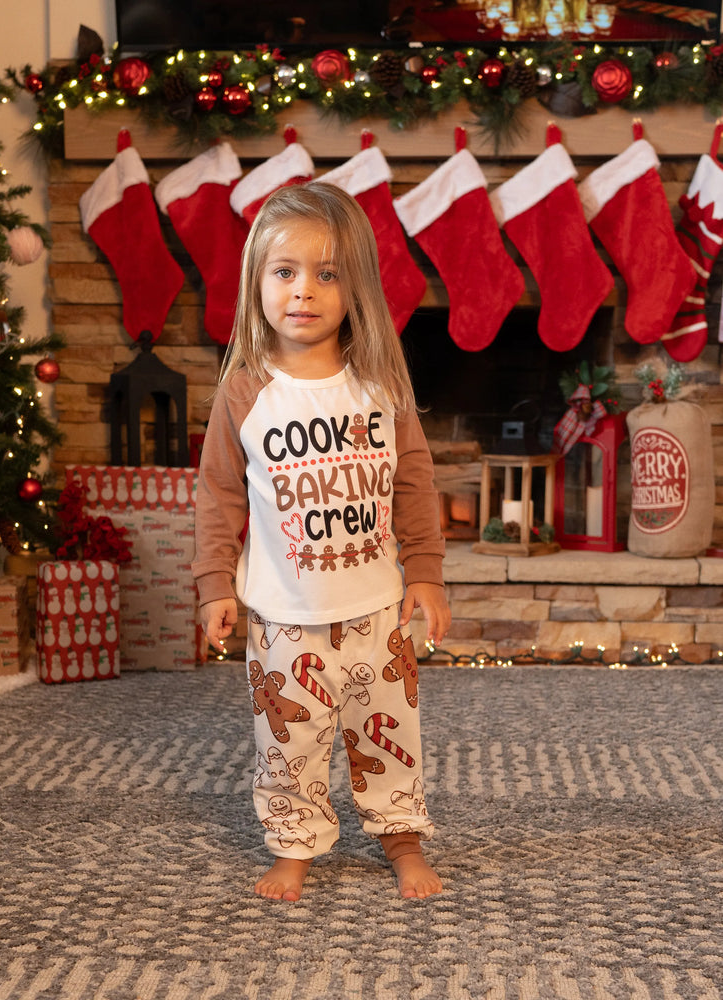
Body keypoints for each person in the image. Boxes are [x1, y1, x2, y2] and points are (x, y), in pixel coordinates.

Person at [192, 181, 450, 902]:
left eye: (326, 273)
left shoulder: (377, 383)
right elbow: (217, 492)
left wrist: (425, 573)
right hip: (284, 619)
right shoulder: (246, 389)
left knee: (388, 737)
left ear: (354, 286)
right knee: (291, 745)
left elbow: (415, 479)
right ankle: (294, 848)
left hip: (377, 613)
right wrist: (215, 584)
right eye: (285, 272)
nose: (303, 291)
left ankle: (402, 842)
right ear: (258, 282)